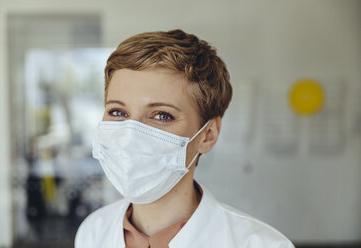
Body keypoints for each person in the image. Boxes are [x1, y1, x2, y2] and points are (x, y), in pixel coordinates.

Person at [75, 29, 295, 248]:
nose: (130, 136)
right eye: (117, 112)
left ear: (208, 135)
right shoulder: (93, 232)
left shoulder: (261, 244)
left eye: (162, 115)